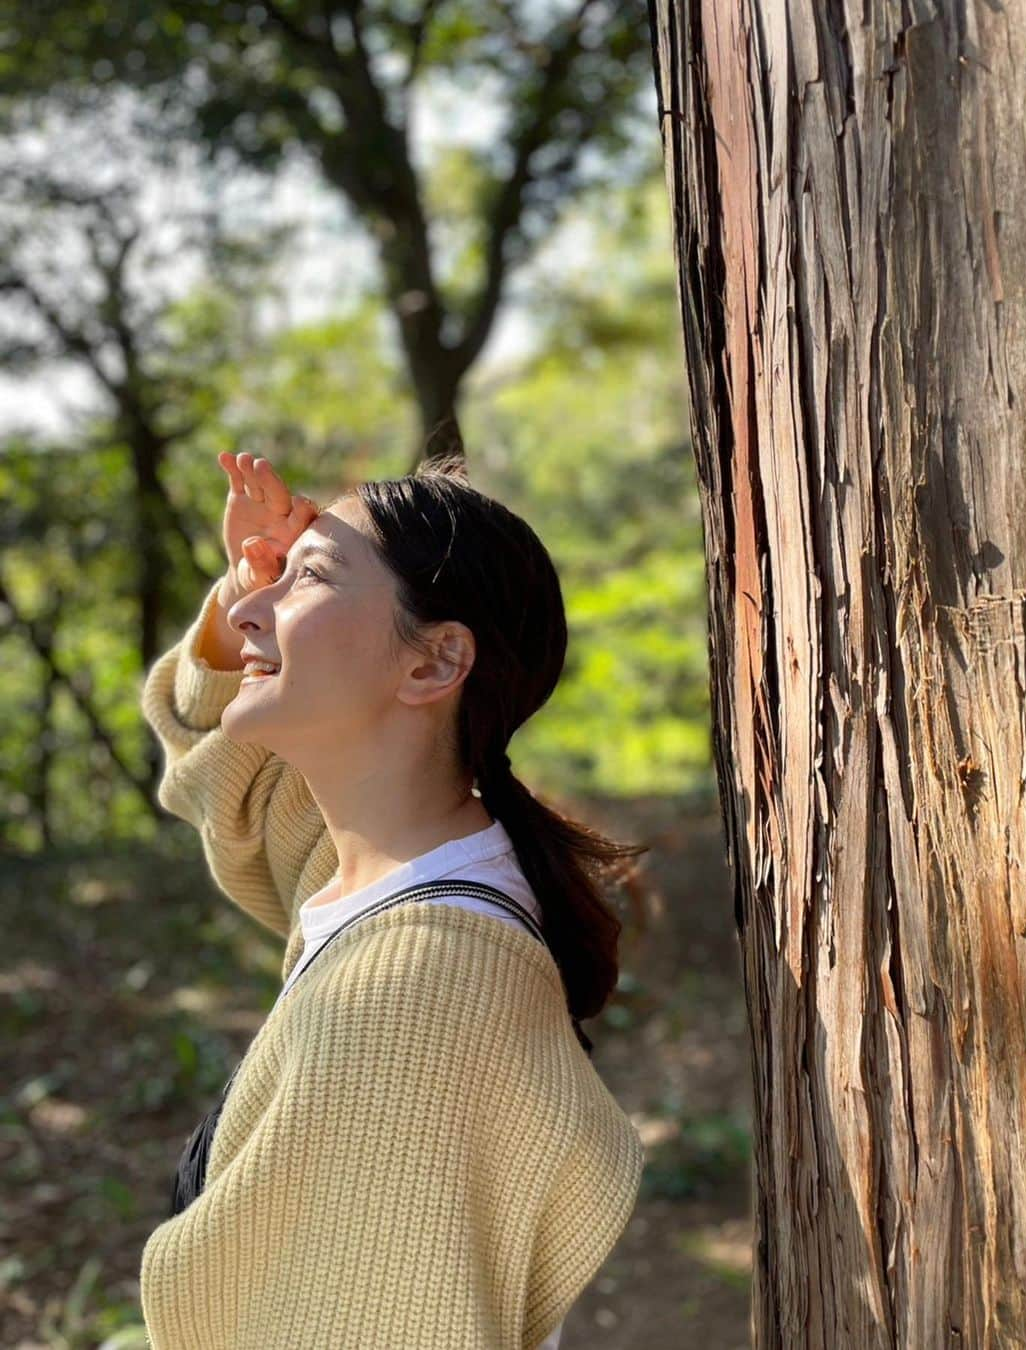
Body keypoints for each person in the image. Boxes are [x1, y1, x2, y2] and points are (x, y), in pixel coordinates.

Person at [137, 449, 648, 1348]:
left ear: (435, 662)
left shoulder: (420, 985)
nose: (250, 609)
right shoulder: (396, 866)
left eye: (308, 583)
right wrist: (246, 591)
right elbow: (226, 785)